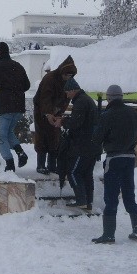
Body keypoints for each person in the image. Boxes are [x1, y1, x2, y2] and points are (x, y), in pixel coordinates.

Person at [90, 84, 137, 243]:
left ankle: (109, 234)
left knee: (111, 196)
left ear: (109, 98)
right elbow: (136, 134)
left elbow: (96, 139)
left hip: (114, 158)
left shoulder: (107, 115)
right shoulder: (133, 113)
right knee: (129, 193)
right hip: (130, 157)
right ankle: (136, 231)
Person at [0, 42, 31, 171]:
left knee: (0, 136)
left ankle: (9, 164)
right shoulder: (18, 66)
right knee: (8, 132)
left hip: (4, 107)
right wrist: (15, 89)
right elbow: (27, 86)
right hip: (19, 107)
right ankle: (21, 153)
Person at [32, 54, 77, 174]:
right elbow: (45, 97)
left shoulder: (67, 82)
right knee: (42, 138)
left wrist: (60, 112)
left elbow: (67, 98)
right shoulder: (50, 78)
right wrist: (48, 113)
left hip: (56, 112)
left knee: (54, 139)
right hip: (42, 112)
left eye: (70, 75)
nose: (68, 77)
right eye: (67, 75)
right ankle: (41, 165)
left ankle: (52, 165)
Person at [60, 77, 99, 210]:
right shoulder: (87, 100)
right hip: (92, 145)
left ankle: (81, 200)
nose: (66, 95)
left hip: (83, 145)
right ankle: (89, 202)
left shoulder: (80, 102)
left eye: (67, 92)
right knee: (87, 173)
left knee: (73, 172)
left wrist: (63, 122)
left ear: (72, 90)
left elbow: (76, 123)